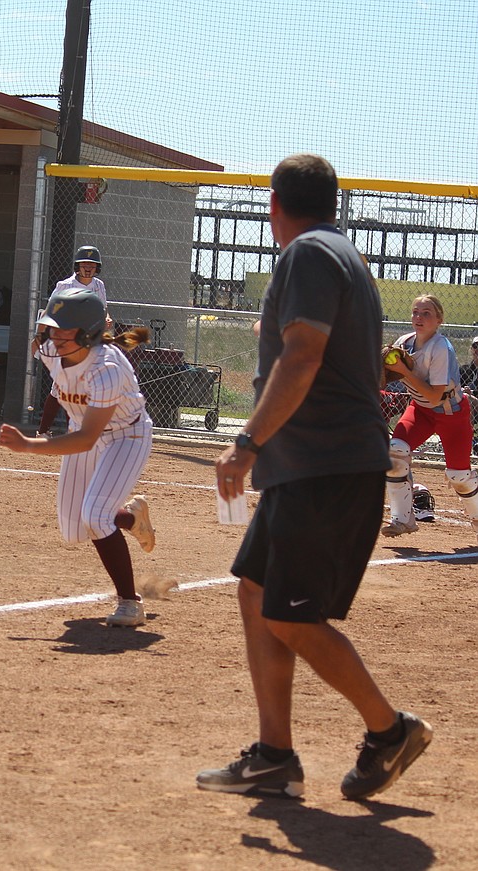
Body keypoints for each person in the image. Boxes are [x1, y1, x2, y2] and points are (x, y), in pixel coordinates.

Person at [198, 154, 430, 801]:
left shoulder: (306, 256)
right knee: (255, 590)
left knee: (294, 617)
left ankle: (389, 730)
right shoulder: (342, 253)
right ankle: (274, 754)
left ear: (275, 204)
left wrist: (246, 443)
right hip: (309, 465)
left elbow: (303, 355)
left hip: (324, 466)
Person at [0, 287, 157, 627]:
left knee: (96, 517)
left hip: (126, 435)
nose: (54, 335)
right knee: (75, 531)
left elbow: (87, 439)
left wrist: (29, 445)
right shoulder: (50, 350)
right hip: (85, 428)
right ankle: (131, 519)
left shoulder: (107, 369)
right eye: (51, 328)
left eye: (63, 328)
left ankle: (130, 602)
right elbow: (38, 346)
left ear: (87, 334)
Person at [380, 295, 478, 540]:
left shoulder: (441, 347)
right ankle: (402, 520)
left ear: (439, 320)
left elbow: (435, 396)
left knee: (459, 477)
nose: (418, 318)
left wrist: (402, 371)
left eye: (426, 313)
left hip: (450, 414)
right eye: (415, 312)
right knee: (395, 452)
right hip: (420, 411)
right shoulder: (405, 342)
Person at [34, 245, 111, 436]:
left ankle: (52, 431)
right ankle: (55, 431)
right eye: (85, 263)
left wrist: (106, 318)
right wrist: (39, 337)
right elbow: (50, 311)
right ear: (77, 265)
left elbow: (102, 310)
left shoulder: (98, 286)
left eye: (92, 265)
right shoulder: (65, 286)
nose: (88, 267)